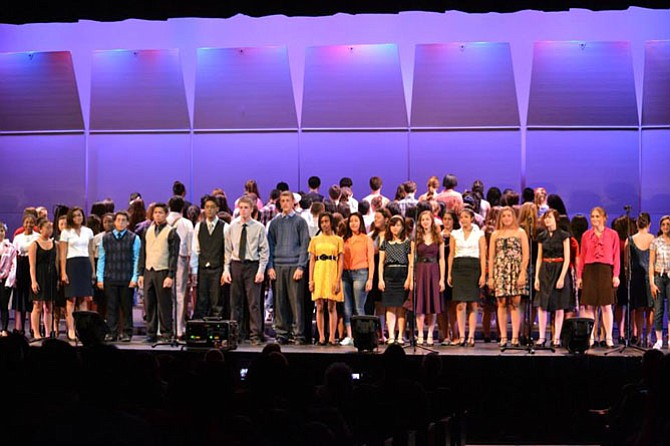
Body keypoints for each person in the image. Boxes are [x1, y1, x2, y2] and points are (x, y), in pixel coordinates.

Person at [223, 196, 269, 346]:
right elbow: (228, 250)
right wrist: (226, 270)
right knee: (235, 302)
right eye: (241, 208)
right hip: (236, 264)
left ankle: (255, 334)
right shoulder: (232, 227)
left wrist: (261, 270)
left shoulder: (258, 227)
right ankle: (235, 334)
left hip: (252, 265)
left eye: (246, 208)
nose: (243, 211)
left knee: (253, 302)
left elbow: (264, 251)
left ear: (251, 209)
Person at [267, 191, 310, 345]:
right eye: (282, 201)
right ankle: (282, 334)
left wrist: (301, 266)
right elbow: (270, 246)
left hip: (294, 266)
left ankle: (298, 334)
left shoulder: (300, 222)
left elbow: (305, 245)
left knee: (296, 302)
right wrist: (270, 266)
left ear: (293, 202)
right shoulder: (274, 223)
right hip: (278, 266)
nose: (285, 203)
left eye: (287, 200)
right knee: (280, 302)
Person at [576, 207, 620, 348]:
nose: (594, 219)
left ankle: (608, 336)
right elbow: (582, 257)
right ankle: (591, 336)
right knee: (590, 306)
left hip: (605, 270)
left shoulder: (612, 234)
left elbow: (616, 256)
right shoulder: (586, 235)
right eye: (592, 216)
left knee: (606, 305)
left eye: (597, 216)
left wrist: (616, 275)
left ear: (604, 218)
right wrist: (579, 276)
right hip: (590, 270)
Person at [138, 203, 180, 343]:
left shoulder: (171, 232)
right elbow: (143, 253)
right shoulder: (147, 230)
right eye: (155, 212)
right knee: (149, 304)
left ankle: (166, 333)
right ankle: (151, 333)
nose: (157, 215)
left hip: (163, 271)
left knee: (164, 304)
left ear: (166, 214)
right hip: (149, 270)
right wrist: (141, 273)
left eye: (160, 212)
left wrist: (170, 275)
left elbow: (174, 256)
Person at [96, 211, 140, 342]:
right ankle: (111, 332)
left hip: (126, 277)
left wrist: (134, 278)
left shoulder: (134, 238)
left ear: (128, 222)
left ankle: (127, 332)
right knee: (111, 307)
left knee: (126, 308)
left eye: (123, 220)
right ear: (114, 222)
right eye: (118, 220)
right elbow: (102, 258)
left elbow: (137, 259)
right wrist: (100, 278)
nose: (121, 222)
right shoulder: (106, 238)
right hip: (110, 276)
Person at [488, 206, 529, 347]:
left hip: (516, 270)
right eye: (504, 216)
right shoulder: (496, 234)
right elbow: (491, 256)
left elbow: (526, 255)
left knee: (515, 302)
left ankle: (515, 337)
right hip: (500, 269)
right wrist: (491, 277)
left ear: (513, 217)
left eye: (509, 215)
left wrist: (523, 272)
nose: (506, 218)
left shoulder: (520, 232)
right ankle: (504, 337)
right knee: (501, 303)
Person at [448, 208, 486, 347]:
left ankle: (471, 336)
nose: (463, 220)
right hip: (459, 267)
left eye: (466, 217)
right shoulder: (454, 234)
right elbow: (451, 254)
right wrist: (449, 273)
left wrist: (483, 274)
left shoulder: (479, 234)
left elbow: (483, 255)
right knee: (460, 304)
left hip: (474, 266)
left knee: (473, 303)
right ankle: (462, 335)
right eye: (461, 217)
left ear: (472, 218)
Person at [534, 209, 572, 348]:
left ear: (556, 219)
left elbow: (567, 258)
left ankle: (556, 337)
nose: (547, 220)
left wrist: (562, 277)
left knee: (559, 305)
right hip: (545, 269)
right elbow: (539, 258)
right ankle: (542, 337)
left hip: (558, 269)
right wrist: (537, 277)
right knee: (542, 304)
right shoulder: (542, 236)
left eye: (549, 217)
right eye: (545, 218)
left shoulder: (563, 235)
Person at [59, 207, 95, 340]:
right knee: (71, 299)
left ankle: (82, 329)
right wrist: (63, 272)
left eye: (79, 215)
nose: (77, 218)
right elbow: (63, 254)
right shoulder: (66, 232)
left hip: (84, 264)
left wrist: (93, 270)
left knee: (84, 299)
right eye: (74, 216)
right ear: (70, 218)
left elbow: (90, 252)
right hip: (72, 265)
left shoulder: (88, 231)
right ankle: (71, 329)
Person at [308, 212, 344, 345]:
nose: (324, 224)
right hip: (319, 271)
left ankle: (332, 336)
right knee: (319, 306)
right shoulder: (315, 240)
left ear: (331, 222)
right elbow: (312, 260)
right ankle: (321, 336)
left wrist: (337, 279)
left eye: (326, 221)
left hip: (332, 270)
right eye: (322, 222)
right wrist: (311, 280)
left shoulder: (338, 240)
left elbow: (341, 261)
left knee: (331, 306)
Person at [339, 212, 374, 346]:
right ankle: (350, 336)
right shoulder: (344, 240)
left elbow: (371, 260)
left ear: (361, 223)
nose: (353, 223)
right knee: (347, 307)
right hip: (346, 274)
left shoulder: (366, 239)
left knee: (359, 307)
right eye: (351, 221)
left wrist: (370, 279)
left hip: (361, 273)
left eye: (356, 221)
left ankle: (362, 336)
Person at [190, 195, 227, 319]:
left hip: (217, 268)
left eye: (212, 207)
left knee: (217, 300)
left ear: (217, 209)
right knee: (202, 300)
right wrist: (194, 270)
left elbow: (227, 251)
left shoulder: (225, 227)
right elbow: (196, 250)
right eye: (207, 207)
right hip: (203, 268)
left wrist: (226, 270)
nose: (209, 210)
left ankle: (217, 329)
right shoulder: (199, 226)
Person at [378, 215, 413, 345]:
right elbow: (381, 263)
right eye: (393, 225)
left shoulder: (407, 242)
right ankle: (391, 335)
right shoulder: (385, 242)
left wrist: (409, 279)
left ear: (403, 227)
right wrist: (380, 279)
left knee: (401, 308)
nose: (395, 228)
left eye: (398, 225)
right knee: (390, 307)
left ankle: (400, 335)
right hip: (389, 274)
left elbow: (411, 263)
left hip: (402, 273)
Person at [413, 210, 446, 346]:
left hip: (433, 270)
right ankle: (420, 333)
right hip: (420, 270)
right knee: (420, 304)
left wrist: (442, 279)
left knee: (433, 304)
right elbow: (412, 260)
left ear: (432, 220)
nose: (425, 222)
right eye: (423, 219)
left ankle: (431, 333)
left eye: (427, 219)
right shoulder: (416, 237)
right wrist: (412, 276)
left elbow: (442, 259)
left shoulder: (438, 237)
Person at [625, 213, 654, 346]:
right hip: (650, 276)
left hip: (636, 277)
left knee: (639, 308)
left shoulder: (629, 240)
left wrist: (627, 278)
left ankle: (639, 337)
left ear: (637, 224)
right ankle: (648, 337)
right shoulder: (653, 239)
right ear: (649, 224)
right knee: (650, 308)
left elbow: (627, 263)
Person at [167, 195, 193, 339]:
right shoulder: (186, 223)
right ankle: (179, 328)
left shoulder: (163, 220)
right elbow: (191, 246)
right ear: (183, 208)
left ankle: (164, 327)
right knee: (180, 293)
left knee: (166, 294)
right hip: (181, 259)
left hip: (165, 259)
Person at [28, 219, 58, 340]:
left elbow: (56, 262)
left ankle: (48, 332)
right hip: (39, 276)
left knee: (49, 306)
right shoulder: (34, 244)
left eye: (50, 228)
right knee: (37, 306)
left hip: (50, 276)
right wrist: (33, 281)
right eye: (46, 228)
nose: (49, 230)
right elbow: (32, 265)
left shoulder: (54, 244)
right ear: (40, 229)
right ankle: (36, 332)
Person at [11, 214, 39, 335]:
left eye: (31, 222)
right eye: (26, 222)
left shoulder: (37, 237)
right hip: (21, 266)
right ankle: (19, 328)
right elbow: (14, 256)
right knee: (20, 298)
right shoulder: (18, 237)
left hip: (33, 266)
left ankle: (33, 328)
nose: (29, 225)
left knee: (32, 298)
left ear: (35, 224)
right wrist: (14, 275)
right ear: (23, 223)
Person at [649, 215, 670, 350]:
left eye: (668, 224)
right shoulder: (655, 242)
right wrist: (652, 283)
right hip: (658, 277)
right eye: (663, 224)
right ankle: (658, 340)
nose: (666, 227)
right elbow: (651, 263)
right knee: (658, 309)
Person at [438, 210, 459, 345]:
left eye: (449, 219)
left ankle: (455, 334)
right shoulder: (438, 235)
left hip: (453, 272)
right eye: (444, 219)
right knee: (441, 306)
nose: (446, 222)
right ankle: (445, 335)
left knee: (452, 305)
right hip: (440, 272)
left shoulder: (457, 235)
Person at [0, 222, 17, 336]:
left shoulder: (10, 247)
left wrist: (9, 281)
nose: (0, 232)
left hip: (5, 280)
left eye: (1, 230)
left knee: (4, 306)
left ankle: (4, 329)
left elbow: (13, 265)